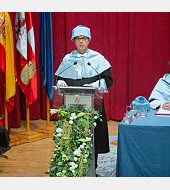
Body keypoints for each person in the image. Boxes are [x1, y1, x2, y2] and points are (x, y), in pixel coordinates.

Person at [55, 25, 113, 170]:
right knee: (73, 135)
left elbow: (108, 79)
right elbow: (59, 79)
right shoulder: (68, 59)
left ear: (89, 40)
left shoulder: (97, 58)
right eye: (78, 39)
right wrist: (60, 82)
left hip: (93, 104)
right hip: (72, 105)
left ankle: (93, 165)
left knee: (94, 135)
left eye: (84, 38)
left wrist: (93, 84)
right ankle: (73, 165)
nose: (81, 41)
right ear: (74, 41)